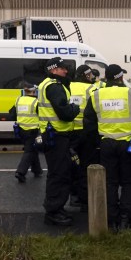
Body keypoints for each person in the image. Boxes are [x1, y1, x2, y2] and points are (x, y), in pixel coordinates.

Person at [84, 64, 131, 231]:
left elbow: (88, 123)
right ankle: (126, 219)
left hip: (106, 144)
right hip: (129, 146)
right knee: (130, 182)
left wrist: (97, 143)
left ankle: (112, 220)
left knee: (110, 183)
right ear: (120, 77)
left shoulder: (96, 95)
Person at [37, 56, 80, 226]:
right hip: (57, 136)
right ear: (54, 69)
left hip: (53, 135)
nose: (66, 71)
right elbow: (66, 113)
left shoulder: (47, 84)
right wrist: (75, 108)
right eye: (63, 68)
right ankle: (53, 212)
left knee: (58, 173)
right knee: (59, 174)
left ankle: (56, 208)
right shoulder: (55, 87)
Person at [67, 64, 96, 210]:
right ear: (86, 75)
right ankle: (85, 200)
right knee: (86, 165)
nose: (92, 77)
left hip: (70, 132)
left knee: (72, 165)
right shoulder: (92, 89)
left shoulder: (69, 86)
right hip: (85, 133)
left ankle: (74, 196)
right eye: (90, 75)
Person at [8, 85, 42, 183]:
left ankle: (37, 170)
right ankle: (20, 172)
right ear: (33, 92)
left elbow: (12, 114)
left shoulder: (19, 100)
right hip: (32, 130)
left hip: (21, 130)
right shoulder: (36, 102)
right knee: (29, 151)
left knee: (32, 149)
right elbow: (42, 115)